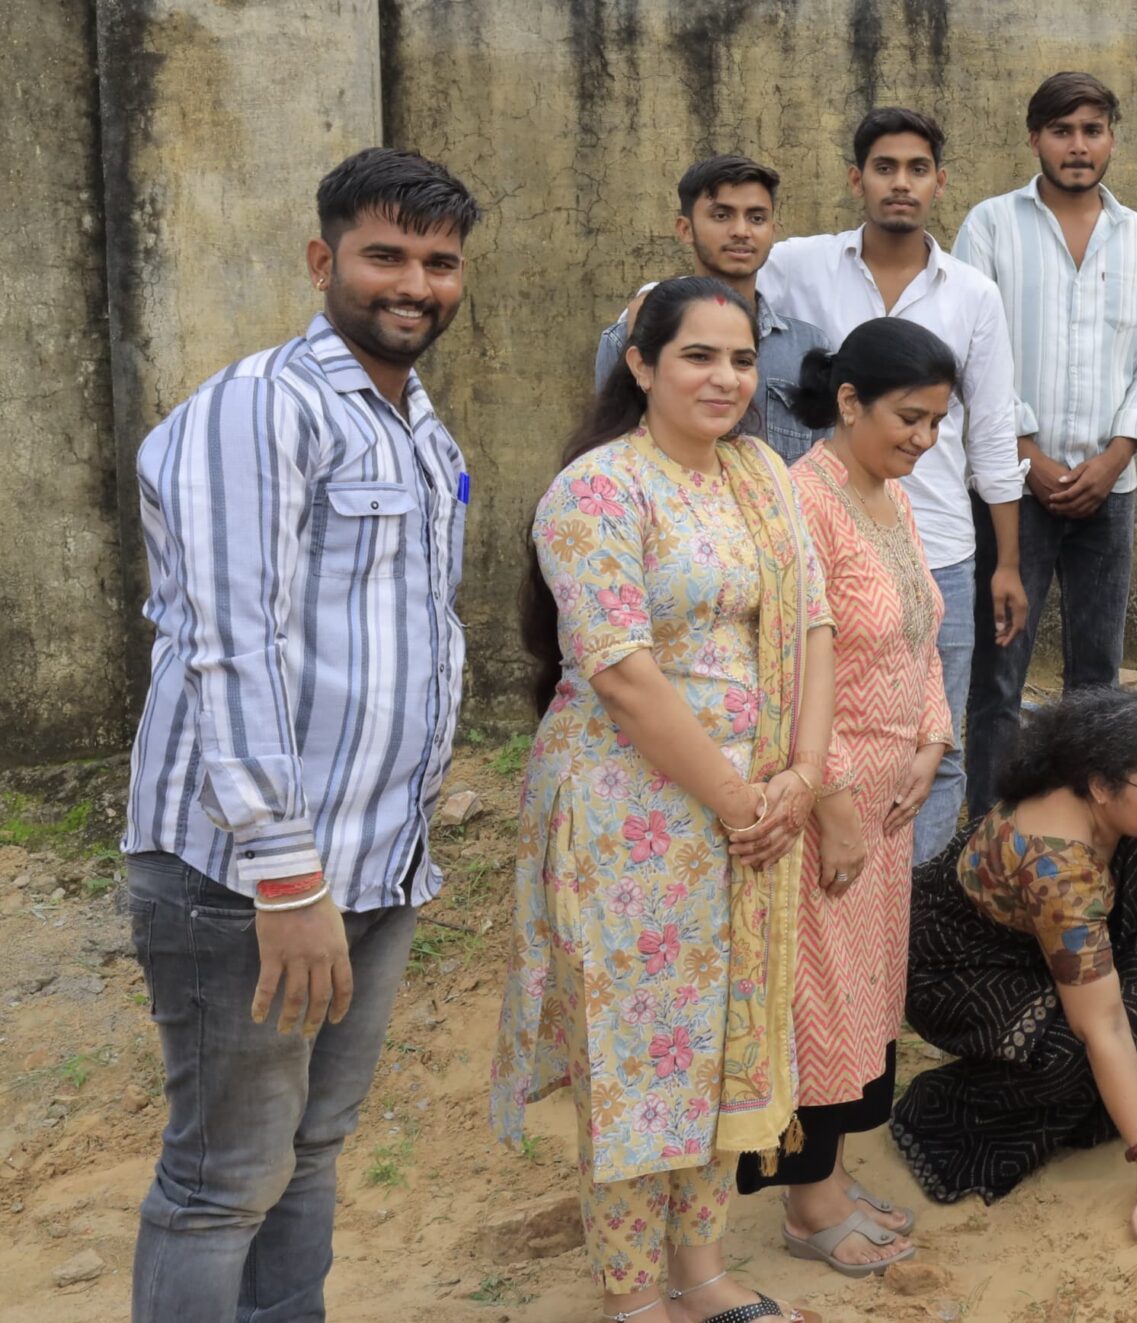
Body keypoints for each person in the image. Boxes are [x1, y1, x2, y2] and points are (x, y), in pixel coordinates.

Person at [122, 149, 481, 1323]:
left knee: (312, 1151)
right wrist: (287, 877)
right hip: (251, 880)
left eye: (439, 262)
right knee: (223, 1180)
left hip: (376, 866)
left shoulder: (419, 428)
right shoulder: (258, 409)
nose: (415, 284)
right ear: (324, 260)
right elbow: (230, 647)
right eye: (386, 256)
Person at [495, 276, 836, 1323]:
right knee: (639, 1049)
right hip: (629, 814)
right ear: (640, 364)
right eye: (698, 355)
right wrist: (745, 800)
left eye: (741, 359)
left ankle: (704, 1270)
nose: (726, 379)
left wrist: (805, 780)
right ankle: (635, 1293)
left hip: (751, 808)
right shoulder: (597, 492)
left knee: (721, 1040)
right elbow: (622, 675)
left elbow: (815, 627)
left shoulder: (760, 477)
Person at [740, 319, 967, 1277]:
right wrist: (830, 792)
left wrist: (931, 738)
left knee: (863, 996)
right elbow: (786, 671)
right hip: (828, 800)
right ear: (848, 402)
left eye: (937, 423)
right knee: (815, 1003)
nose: (923, 439)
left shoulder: (890, 498)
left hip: (888, 796)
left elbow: (919, 631)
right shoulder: (803, 506)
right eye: (908, 418)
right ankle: (808, 1203)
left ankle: (824, 1178)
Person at [763, 107, 1031, 862]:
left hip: (936, 542)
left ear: (939, 182)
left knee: (933, 743)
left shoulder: (973, 293)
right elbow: (725, 274)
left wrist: (1004, 560)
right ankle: (839, 888)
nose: (901, 183)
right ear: (857, 179)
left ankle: (920, 908)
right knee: (824, 735)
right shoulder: (800, 265)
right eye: (885, 167)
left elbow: (991, 429)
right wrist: (651, 295)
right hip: (824, 541)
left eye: (917, 169)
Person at [892, 688, 1137, 1244]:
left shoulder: (1094, 784)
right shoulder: (1058, 866)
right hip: (963, 966)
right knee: (1068, 1055)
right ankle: (947, 1107)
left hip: (1048, 934)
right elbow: (1102, 1024)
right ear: (1099, 785)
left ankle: (1107, 1100)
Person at [955, 74, 1137, 817]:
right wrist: (1027, 457)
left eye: (1093, 129)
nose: (1078, 145)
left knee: (1099, 679)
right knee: (1000, 676)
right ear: (1034, 137)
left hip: (1109, 491)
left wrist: (1116, 457)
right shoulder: (989, 225)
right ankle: (988, 837)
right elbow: (974, 349)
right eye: (1061, 130)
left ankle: (1080, 833)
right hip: (1014, 491)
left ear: (1112, 136)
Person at [597, 154, 835, 468]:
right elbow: (610, 452)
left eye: (757, 218)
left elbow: (826, 464)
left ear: (772, 230)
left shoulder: (806, 345)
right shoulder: (631, 336)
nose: (741, 230)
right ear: (685, 229)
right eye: (722, 216)